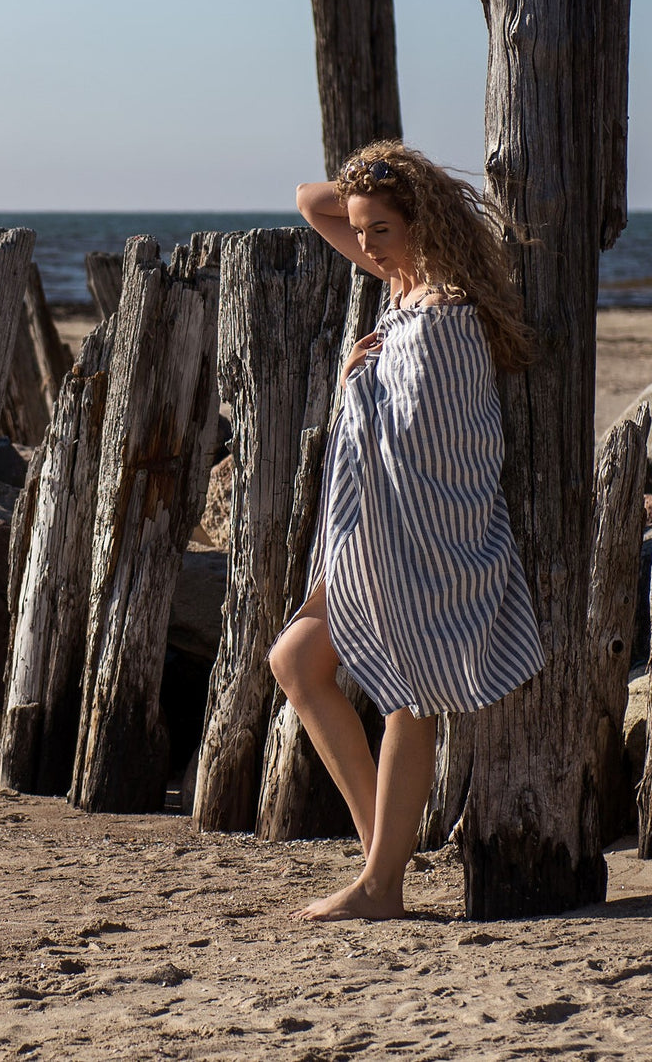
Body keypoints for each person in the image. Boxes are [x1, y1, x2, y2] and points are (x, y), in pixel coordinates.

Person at [271, 139, 545, 921]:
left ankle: (380, 885)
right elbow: (308, 200)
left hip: (421, 536)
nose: (362, 244)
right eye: (360, 233)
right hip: (371, 527)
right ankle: (380, 861)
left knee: (406, 701)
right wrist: (375, 185)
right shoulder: (400, 284)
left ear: (420, 225)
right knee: (295, 658)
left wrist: (359, 385)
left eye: (380, 230)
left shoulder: (447, 315)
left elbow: (445, 442)